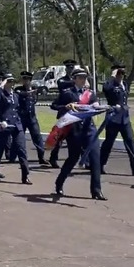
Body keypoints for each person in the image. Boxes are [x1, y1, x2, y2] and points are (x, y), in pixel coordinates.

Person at [50, 67, 106, 200]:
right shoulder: (67, 93)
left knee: (95, 160)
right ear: (74, 79)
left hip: (89, 130)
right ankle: (59, 182)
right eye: (80, 77)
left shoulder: (90, 93)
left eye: (84, 78)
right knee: (73, 158)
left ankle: (96, 190)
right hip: (74, 130)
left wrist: (103, 108)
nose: (83, 80)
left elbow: (95, 105)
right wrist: (66, 106)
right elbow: (54, 105)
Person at [99, 64, 134, 176]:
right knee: (108, 143)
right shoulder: (110, 84)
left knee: (130, 142)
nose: (121, 75)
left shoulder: (124, 84)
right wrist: (112, 77)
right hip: (113, 119)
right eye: (119, 73)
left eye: (122, 73)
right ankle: (99, 165)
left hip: (125, 119)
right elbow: (106, 89)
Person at [0, 73, 31, 184]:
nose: (11, 83)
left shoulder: (15, 95)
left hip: (17, 125)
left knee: (21, 149)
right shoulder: (0, 94)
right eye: (8, 81)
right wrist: (0, 87)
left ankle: (25, 175)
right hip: (4, 125)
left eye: (12, 81)